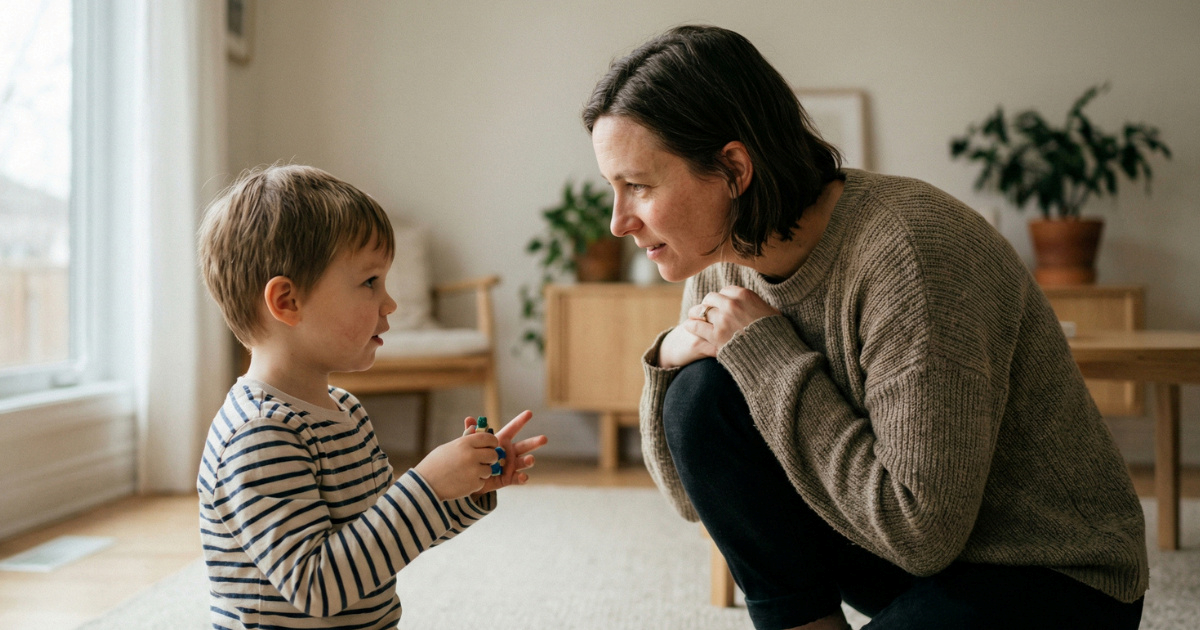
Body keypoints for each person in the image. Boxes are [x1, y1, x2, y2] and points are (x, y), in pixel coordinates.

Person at [584, 25, 1147, 630]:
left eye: (638, 186)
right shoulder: (720, 262)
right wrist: (669, 358)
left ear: (733, 170)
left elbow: (922, 533)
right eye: (613, 190)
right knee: (699, 396)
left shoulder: (914, 253)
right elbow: (690, 500)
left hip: (1049, 572)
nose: (619, 223)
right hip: (896, 558)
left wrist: (770, 359)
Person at [195, 164, 547, 630]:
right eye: (369, 283)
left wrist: (464, 491)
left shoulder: (346, 412)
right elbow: (317, 587)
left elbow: (380, 541)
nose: (390, 303)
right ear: (288, 302)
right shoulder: (259, 434)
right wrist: (428, 484)